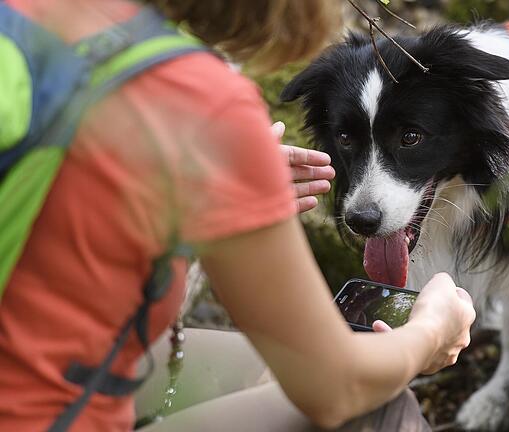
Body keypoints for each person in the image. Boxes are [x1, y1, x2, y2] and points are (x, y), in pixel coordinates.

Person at [0, 0, 476, 431]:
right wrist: (430, 333)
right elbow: (336, 387)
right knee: (376, 406)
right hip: (40, 413)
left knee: (268, 369)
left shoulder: (26, 21)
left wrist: (204, 201)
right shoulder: (195, 97)